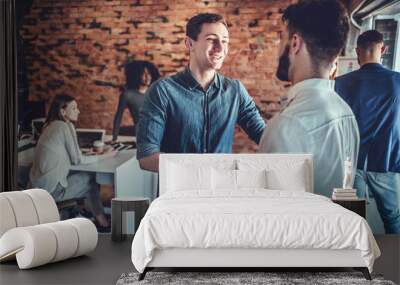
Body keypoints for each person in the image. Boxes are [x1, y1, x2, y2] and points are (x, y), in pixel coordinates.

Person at [136, 13, 265, 172]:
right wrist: (203, 170)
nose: (220, 47)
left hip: (222, 192)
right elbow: (146, 157)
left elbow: (264, 137)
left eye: (225, 41)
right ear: (190, 43)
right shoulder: (162, 91)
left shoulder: (235, 90)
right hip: (177, 193)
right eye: (211, 39)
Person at [258, 0, 359, 198]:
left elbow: (271, 214)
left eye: (282, 38)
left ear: (295, 43)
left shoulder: (287, 126)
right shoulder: (345, 113)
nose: (279, 49)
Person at [335, 30, 400, 234]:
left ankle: (356, 262)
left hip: (350, 163)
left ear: (357, 51)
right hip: (386, 161)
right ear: (384, 49)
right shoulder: (398, 82)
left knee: (352, 219)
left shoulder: (340, 83)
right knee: (392, 218)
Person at [30, 94, 115, 228]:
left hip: (38, 187)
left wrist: (91, 153)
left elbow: (67, 155)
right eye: (74, 108)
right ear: (63, 112)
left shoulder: (50, 125)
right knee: (89, 179)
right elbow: (77, 160)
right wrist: (107, 155)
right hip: (51, 191)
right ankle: (102, 222)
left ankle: (89, 215)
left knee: (83, 179)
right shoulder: (64, 126)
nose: (78, 111)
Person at [112, 60, 160, 141]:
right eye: (143, 74)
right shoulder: (127, 95)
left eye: (149, 73)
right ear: (136, 75)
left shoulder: (156, 93)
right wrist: (114, 139)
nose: (147, 77)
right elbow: (118, 118)